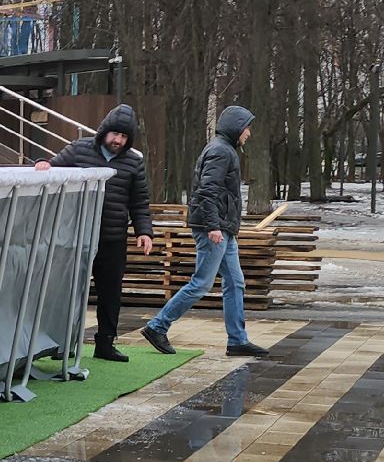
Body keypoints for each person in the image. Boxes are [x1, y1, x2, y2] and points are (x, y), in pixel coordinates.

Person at [141, 104, 269, 358]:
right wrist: (213, 226)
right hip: (214, 228)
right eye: (246, 128)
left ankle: (237, 340)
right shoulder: (221, 152)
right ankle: (157, 326)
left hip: (223, 228)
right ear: (236, 128)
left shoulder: (224, 149)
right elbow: (207, 191)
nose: (249, 133)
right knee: (201, 283)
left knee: (235, 283)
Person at [35, 104, 155, 361]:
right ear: (104, 132)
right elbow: (52, 166)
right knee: (70, 291)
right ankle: (63, 343)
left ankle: (106, 343)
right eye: (114, 135)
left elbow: (139, 202)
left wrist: (144, 232)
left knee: (110, 293)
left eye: (124, 137)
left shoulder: (133, 162)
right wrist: (42, 163)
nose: (118, 141)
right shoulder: (79, 149)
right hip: (76, 236)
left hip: (112, 238)